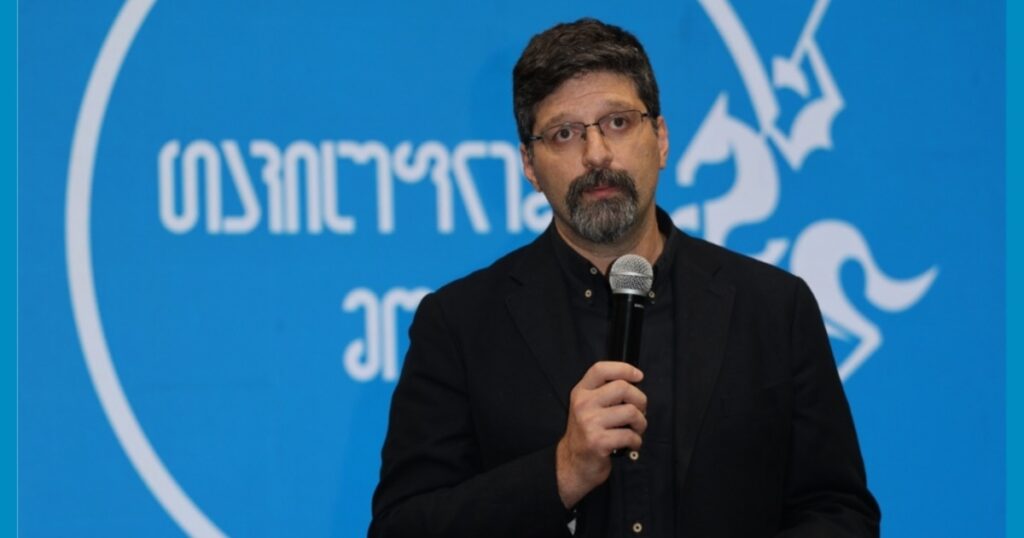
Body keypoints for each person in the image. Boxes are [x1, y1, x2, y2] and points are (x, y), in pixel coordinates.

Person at [369, 18, 880, 538]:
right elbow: (400, 527)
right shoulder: (460, 325)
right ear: (530, 165)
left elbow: (839, 512)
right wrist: (562, 472)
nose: (596, 154)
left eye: (617, 122)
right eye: (565, 133)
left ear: (661, 138)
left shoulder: (772, 307)